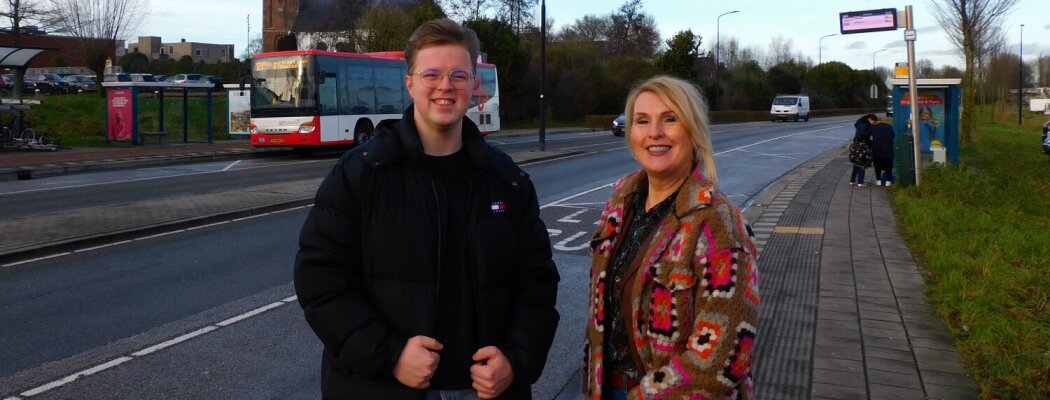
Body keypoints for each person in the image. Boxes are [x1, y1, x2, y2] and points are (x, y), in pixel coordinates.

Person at [294, 19, 560, 400]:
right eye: (431, 74)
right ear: (410, 83)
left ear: (474, 85)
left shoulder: (509, 181)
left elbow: (537, 284)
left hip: (488, 391)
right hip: (382, 388)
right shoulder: (360, 174)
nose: (445, 86)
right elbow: (319, 279)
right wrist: (390, 355)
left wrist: (516, 361)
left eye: (458, 75)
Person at [583, 76, 760, 399]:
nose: (654, 133)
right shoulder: (620, 203)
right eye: (642, 121)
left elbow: (723, 359)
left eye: (670, 119)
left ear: (693, 130)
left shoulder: (719, 223)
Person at [848, 114, 875, 187]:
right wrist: (871, 143)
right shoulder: (865, 125)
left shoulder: (861, 124)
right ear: (869, 119)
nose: (873, 123)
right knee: (862, 165)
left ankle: (852, 180)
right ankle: (860, 182)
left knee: (856, 165)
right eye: (873, 121)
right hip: (862, 149)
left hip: (856, 146)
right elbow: (864, 135)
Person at [870, 115, 896, 187]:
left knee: (877, 166)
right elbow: (893, 135)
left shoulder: (873, 127)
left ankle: (879, 180)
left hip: (877, 150)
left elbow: (867, 136)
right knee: (888, 166)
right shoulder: (889, 127)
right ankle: (888, 181)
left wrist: (872, 143)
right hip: (888, 150)